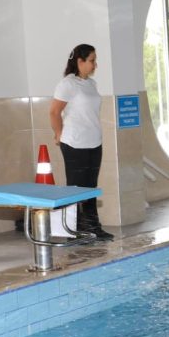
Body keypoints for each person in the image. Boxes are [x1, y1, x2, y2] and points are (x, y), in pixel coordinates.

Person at [50, 44, 112, 240]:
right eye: (92, 60)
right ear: (80, 61)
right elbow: (54, 112)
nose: (95, 64)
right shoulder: (68, 84)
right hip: (74, 143)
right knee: (76, 188)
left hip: (94, 141)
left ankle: (93, 226)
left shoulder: (91, 85)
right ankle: (73, 230)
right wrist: (59, 133)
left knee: (91, 186)